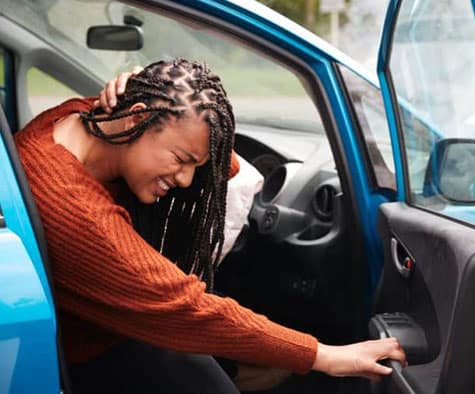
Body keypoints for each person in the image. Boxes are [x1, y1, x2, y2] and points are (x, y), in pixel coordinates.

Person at [15, 58, 405, 394]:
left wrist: (149, 92)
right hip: (86, 351)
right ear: (136, 117)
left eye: (193, 166)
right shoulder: (75, 210)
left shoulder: (79, 117)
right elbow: (186, 306)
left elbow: (223, 167)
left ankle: (254, 369)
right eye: (181, 158)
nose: (186, 179)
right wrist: (325, 356)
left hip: (104, 327)